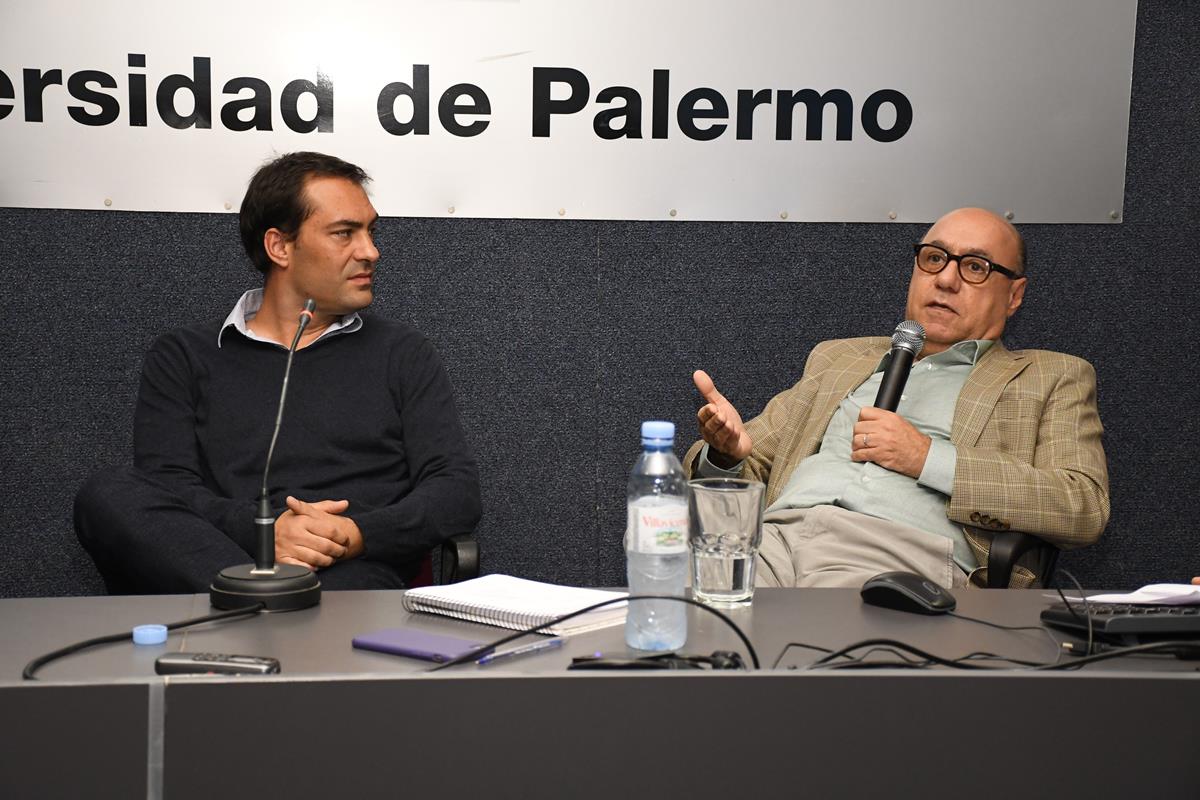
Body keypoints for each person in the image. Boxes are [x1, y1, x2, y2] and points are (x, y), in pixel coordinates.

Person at [75, 151, 481, 592]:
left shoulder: (403, 352)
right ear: (279, 247)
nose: (370, 252)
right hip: (226, 561)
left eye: (371, 231)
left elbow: (455, 491)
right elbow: (168, 488)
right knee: (108, 494)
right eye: (344, 233)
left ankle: (254, 613)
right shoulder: (185, 355)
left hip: (348, 571)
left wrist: (355, 534)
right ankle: (260, 603)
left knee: (343, 594)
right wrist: (264, 532)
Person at [686, 207, 1109, 589]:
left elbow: (1083, 505)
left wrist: (925, 457)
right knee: (677, 601)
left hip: (893, 556)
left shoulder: (1051, 376)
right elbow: (746, 463)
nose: (946, 279)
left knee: (815, 637)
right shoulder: (840, 358)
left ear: (1014, 296)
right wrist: (726, 454)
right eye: (934, 258)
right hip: (771, 541)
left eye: (974, 267)